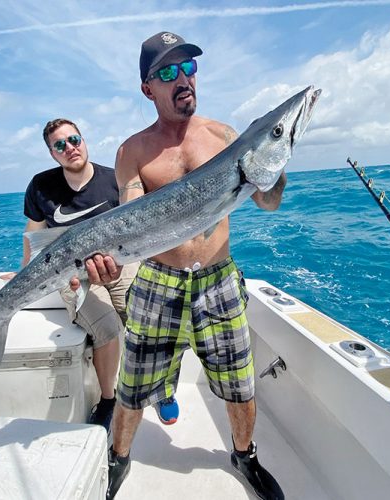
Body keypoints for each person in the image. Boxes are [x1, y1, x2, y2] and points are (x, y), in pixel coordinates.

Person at [84, 32, 286, 499]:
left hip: (219, 278)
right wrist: (108, 262)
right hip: (158, 281)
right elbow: (128, 220)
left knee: (240, 382)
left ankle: (244, 454)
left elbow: (268, 202)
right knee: (133, 385)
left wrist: (275, 162)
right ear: (147, 88)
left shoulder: (225, 137)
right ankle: (119, 457)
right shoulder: (133, 152)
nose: (183, 80)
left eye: (189, 68)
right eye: (169, 73)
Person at [18, 118, 138, 433]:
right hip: (73, 275)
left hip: (121, 265)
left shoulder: (115, 179)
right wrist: (22, 273)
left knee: (146, 318)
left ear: (83, 139)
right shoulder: (41, 186)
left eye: (74, 139)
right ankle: (109, 399)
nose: (70, 147)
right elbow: (33, 235)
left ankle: (156, 386)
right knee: (109, 327)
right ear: (52, 153)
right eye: (60, 145)